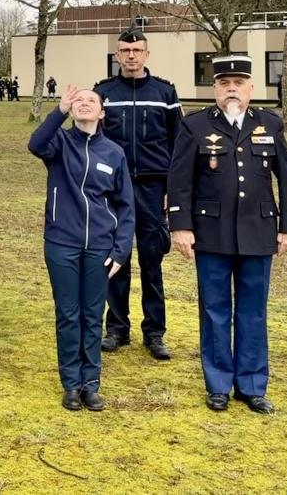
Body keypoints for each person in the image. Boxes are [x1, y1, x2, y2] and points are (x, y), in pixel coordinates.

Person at [168, 54, 287, 414]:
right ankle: (218, 385)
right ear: (215, 89)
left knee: (253, 311)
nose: (231, 89)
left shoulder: (269, 124)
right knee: (214, 310)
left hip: (258, 230)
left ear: (250, 88)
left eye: (238, 83)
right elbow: (179, 181)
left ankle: (252, 385)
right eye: (224, 83)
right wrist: (180, 226)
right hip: (211, 231)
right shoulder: (194, 126)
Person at [28, 85, 134, 411]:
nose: (84, 104)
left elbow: (125, 206)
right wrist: (59, 111)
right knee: (68, 314)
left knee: (92, 315)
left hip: (100, 247)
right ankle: (71, 384)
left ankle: (91, 384)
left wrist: (120, 250)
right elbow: (35, 144)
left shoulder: (114, 153)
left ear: (102, 113)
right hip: (62, 243)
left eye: (92, 101)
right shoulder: (59, 143)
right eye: (79, 101)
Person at [94, 29, 182, 360]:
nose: (131, 56)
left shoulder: (164, 92)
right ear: (117, 55)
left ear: (146, 54)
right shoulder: (103, 92)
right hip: (114, 188)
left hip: (153, 187)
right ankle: (117, 328)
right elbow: (92, 141)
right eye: (125, 50)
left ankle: (154, 332)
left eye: (137, 50)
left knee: (151, 259)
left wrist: (172, 189)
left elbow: (180, 144)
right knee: (115, 258)